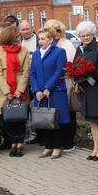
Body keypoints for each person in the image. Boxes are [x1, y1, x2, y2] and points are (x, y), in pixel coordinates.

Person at [30, 27, 71, 159]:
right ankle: (47, 147)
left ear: (51, 39)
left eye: (43, 39)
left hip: (56, 91)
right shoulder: (36, 54)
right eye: (39, 39)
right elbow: (32, 74)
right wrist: (37, 90)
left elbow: (59, 71)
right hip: (40, 93)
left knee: (56, 120)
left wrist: (48, 88)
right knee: (44, 120)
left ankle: (57, 148)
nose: (40, 41)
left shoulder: (59, 52)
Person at [74, 21, 98, 161]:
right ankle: (95, 148)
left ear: (93, 34)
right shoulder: (79, 49)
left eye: (88, 35)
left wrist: (88, 75)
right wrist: (77, 77)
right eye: (83, 36)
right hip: (86, 89)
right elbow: (75, 65)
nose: (85, 38)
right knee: (92, 121)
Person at [0, 25, 31, 157]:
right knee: (8, 119)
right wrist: (7, 91)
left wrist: (19, 90)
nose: (18, 38)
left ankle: (19, 145)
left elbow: (26, 72)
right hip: (6, 91)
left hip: (20, 91)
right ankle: (12, 144)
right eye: (16, 36)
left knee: (20, 118)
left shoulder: (24, 50)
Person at [44, 20, 77, 152]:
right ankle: (59, 141)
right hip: (53, 85)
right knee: (57, 114)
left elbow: (69, 66)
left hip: (65, 83)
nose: (56, 33)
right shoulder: (50, 45)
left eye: (58, 30)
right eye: (53, 30)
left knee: (67, 112)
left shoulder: (67, 45)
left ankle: (69, 142)